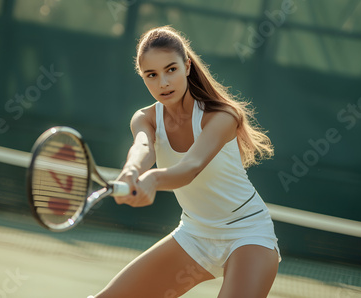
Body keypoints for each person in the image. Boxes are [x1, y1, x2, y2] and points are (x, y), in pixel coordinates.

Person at [94, 26, 280, 298]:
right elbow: (143, 147)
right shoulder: (144, 118)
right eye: (152, 75)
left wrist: (153, 179)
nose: (163, 83)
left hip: (248, 233)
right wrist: (132, 171)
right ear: (143, 78)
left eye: (171, 70)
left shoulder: (222, 116)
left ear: (187, 66)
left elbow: (191, 167)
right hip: (194, 235)